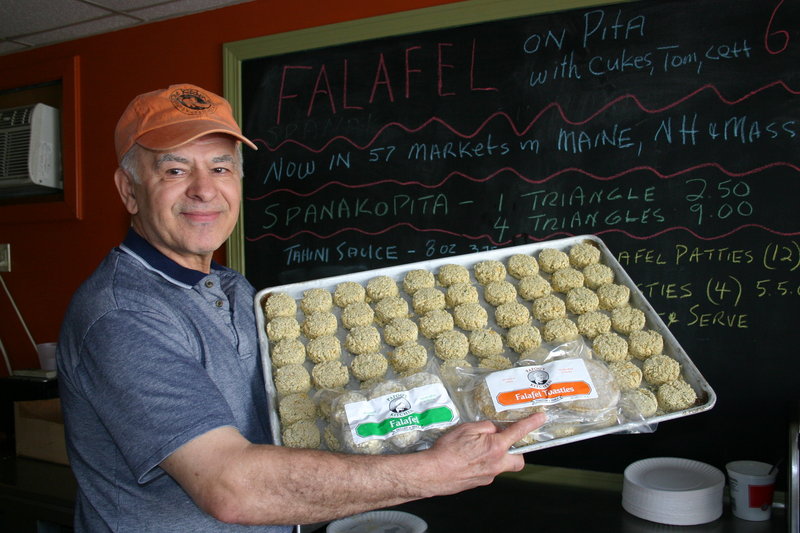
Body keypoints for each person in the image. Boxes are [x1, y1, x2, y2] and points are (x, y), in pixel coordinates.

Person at [57, 83, 546, 532]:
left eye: (221, 167)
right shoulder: (122, 316)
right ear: (129, 190)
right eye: (175, 169)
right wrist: (433, 472)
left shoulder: (231, 288)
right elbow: (231, 488)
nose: (204, 189)